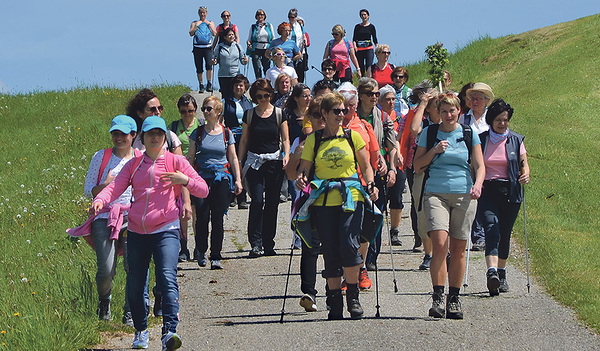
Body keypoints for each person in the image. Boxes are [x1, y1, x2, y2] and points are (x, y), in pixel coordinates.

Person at [90, 116, 209, 350]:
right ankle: (141, 331)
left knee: (166, 278)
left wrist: (183, 179)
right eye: (150, 133)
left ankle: (169, 332)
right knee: (135, 284)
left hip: (167, 229)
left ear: (165, 137)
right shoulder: (133, 166)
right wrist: (100, 199)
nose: (155, 137)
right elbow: (115, 187)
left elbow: (203, 189)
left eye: (159, 133)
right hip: (136, 231)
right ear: (142, 138)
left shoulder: (176, 161)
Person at [295, 92, 379, 320]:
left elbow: (367, 166)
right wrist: (301, 178)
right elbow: (304, 168)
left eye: (344, 111)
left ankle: (352, 296)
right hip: (323, 201)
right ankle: (334, 301)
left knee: (349, 245)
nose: (341, 115)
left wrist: (370, 184)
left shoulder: (353, 137)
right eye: (336, 111)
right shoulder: (315, 139)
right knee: (330, 249)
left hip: (351, 198)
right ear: (324, 113)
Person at [413, 93, 485, 320]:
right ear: (438, 113)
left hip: (464, 194)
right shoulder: (430, 133)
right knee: (440, 244)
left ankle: (454, 298)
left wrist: (478, 184)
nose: (448, 115)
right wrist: (434, 151)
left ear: (458, 112)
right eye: (443, 111)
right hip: (435, 193)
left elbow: (480, 165)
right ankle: (437, 296)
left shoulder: (468, 133)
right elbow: (417, 166)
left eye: (452, 111)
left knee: (458, 250)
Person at [68, 115, 141, 326]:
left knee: (133, 267)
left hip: (132, 216)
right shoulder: (101, 157)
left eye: (123, 134)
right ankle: (104, 301)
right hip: (103, 216)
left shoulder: (140, 157)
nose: (118, 138)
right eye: (115, 133)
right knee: (106, 269)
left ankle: (130, 311)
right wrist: (107, 184)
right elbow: (88, 190)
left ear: (133, 135)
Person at [477, 99, 529, 295]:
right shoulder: (481, 140)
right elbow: (474, 163)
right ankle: (492, 272)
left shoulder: (516, 140)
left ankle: (502, 272)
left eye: (505, 120)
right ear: (491, 120)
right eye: (498, 120)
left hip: (511, 191)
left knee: (505, 233)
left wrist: (526, 174)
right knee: (492, 228)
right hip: (487, 189)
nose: (502, 123)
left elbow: (524, 162)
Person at [187, 96, 243, 270]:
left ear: (218, 111)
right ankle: (201, 251)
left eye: (209, 109)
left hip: (222, 178)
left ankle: (216, 255)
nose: (205, 111)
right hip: (202, 178)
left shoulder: (226, 133)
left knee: (218, 218)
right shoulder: (198, 133)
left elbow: (233, 157)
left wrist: (238, 180)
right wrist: (185, 179)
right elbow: (190, 157)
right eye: (204, 108)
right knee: (202, 217)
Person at [237, 78, 290, 257]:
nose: (263, 99)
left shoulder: (279, 113)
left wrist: (287, 155)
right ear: (254, 97)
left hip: (274, 161)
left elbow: (285, 138)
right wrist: (239, 161)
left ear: (271, 95)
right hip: (254, 162)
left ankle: (269, 243)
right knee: (257, 201)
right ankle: (255, 243)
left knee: (272, 204)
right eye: (259, 96)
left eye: (266, 96)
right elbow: (244, 140)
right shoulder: (249, 114)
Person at [285, 97, 326, 312]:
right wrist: (296, 157)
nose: (321, 119)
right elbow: (291, 174)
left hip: (335, 199)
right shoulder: (302, 142)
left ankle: (333, 290)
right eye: (316, 115)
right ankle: (309, 291)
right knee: (310, 248)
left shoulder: (339, 139)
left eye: (323, 114)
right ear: (309, 118)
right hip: (310, 202)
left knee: (333, 248)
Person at [356, 78, 398, 277]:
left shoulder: (382, 116)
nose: (375, 97)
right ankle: (357, 257)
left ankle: (372, 256)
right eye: (371, 94)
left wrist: (392, 169)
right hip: (356, 172)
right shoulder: (351, 115)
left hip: (378, 171)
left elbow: (392, 146)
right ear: (361, 95)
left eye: (376, 94)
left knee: (376, 214)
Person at [458, 82, 494, 251]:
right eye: (472, 98)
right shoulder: (464, 118)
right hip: (469, 164)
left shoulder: (492, 119)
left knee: (488, 200)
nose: (475, 101)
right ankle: (477, 236)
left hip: (490, 164)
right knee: (474, 198)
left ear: (486, 101)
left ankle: (490, 233)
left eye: (479, 98)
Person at [170, 94, 201, 262]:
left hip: (197, 172)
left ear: (195, 110)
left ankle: (198, 247)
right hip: (180, 172)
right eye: (183, 111)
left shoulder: (200, 125)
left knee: (196, 212)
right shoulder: (174, 127)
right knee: (183, 211)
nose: (187, 115)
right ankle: (184, 247)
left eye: (190, 111)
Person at [378, 85, 406, 246]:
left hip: (397, 161)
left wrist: (400, 153)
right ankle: (377, 231)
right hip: (381, 161)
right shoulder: (377, 117)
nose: (391, 102)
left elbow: (400, 138)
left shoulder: (399, 117)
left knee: (396, 198)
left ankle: (394, 231)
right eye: (387, 99)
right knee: (381, 198)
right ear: (380, 101)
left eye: (393, 99)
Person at [222, 74, 253, 209]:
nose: (239, 87)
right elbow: (220, 120)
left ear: (245, 87)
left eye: (241, 85)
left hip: (245, 136)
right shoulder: (225, 102)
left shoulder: (249, 103)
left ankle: (242, 196)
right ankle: (232, 196)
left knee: (244, 164)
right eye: (236, 85)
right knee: (231, 165)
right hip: (230, 136)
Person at [212, 27, 249, 99]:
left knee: (235, 95)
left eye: (233, 34)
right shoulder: (220, 47)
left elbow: (242, 61)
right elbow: (216, 59)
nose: (232, 36)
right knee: (225, 95)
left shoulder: (238, 46)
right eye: (229, 35)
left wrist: (245, 60)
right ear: (225, 37)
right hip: (223, 75)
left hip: (235, 75)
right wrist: (214, 61)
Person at [190, 6, 217, 93]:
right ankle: (201, 84)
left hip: (208, 47)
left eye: (204, 12)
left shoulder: (210, 22)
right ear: (199, 13)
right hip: (197, 47)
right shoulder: (194, 22)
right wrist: (196, 26)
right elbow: (191, 33)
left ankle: (209, 83)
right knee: (199, 67)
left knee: (209, 66)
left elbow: (214, 33)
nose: (202, 14)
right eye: (201, 12)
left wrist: (209, 25)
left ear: (206, 13)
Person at [247, 9, 275, 79]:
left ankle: (267, 83)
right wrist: (249, 44)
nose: (260, 16)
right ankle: (258, 82)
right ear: (256, 17)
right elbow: (249, 39)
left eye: (261, 15)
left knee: (266, 67)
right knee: (257, 67)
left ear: (264, 16)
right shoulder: (253, 27)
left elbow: (273, 38)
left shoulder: (269, 26)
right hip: (255, 48)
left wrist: (273, 48)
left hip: (266, 48)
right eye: (258, 15)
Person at [352, 9, 378, 77]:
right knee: (361, 67)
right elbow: (354, 39)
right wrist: (354, 46)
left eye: (365, 15)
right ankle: (361, 81)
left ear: (368, 16)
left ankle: (369, 81)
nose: (363, 16)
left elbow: (374, 38)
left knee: (369, 66)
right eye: (362, 15)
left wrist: (377, 48)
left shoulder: (371, 27)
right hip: (359, 50)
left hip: (368, 49)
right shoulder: (357, 27)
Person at [288, 9, 308, 83]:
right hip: (290, 52)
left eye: (293, 17)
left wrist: (305, 40)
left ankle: (300, 86)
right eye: (289, 17)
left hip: (300, 50)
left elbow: (303, 35)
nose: (291, 19)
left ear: (296, 17)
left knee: (300, 70)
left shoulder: (299, 25)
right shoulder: (287, 26)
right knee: (291, 70)